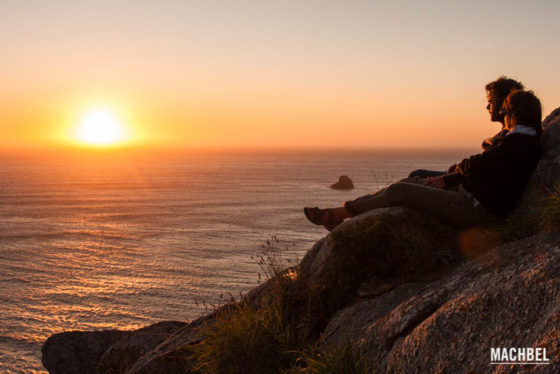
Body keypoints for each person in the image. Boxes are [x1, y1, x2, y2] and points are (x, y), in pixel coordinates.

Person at [304, 90, 542, 230]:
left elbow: (476, 165)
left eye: (505, 113)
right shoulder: (523, 139)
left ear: (513, 115)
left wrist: (456, 173)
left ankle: (341, 214)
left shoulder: (518, 143)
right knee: (416, 181)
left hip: (476, 209)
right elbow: (481, 166)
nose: (502, 116)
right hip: (470, 195)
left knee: (401, 190)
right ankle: (343, 211)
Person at [409, 77, 525, 178]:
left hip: (467, 186)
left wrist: (453, 174)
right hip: (464, 177)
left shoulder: (512, 138)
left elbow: (483, 167)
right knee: (417, 174)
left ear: (503, 104)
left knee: (415, 177)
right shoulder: (509, 134)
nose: (487, 106)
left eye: (491, 102)